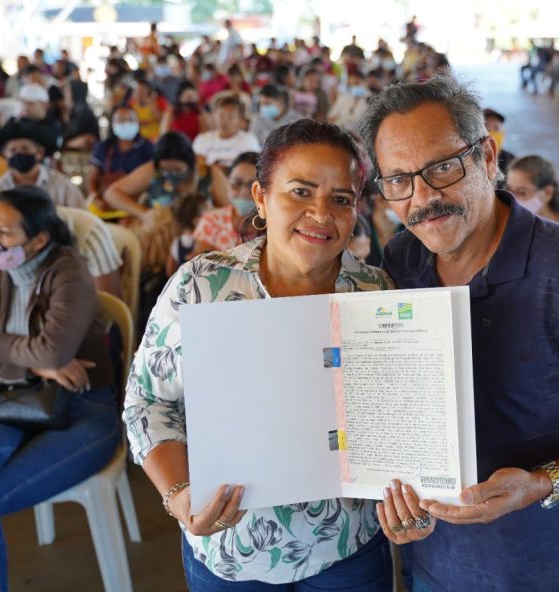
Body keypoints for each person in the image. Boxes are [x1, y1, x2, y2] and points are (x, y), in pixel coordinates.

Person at [359, 75, 559, 591]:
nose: (422, 198)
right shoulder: (404, 258)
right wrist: (405, 498)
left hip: (558, 565)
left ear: (488, 157)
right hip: (440, 565)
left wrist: (541, 483)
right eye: (398, 179)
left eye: (443, 167)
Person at [123, 119, 395, 590]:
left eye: (341, 199)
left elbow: (397, 414)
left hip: (348, 547)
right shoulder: (203, 285)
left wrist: (414, 490)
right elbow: (149, 403)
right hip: (230, 553)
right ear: (261, 198)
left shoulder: (375, 293)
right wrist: (179, 495)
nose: (321, 214)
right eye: (300, 192)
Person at [0, 186, 119, 592]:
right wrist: (35, 367)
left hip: (84, 411)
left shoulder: (69, 270)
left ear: (38, 239)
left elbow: (54, 350)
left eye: (4, 233)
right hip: (17, 408)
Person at [103, 131, 200, 274]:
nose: (171, 174)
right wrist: (144, 213)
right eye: (166, 169)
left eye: (178, 170)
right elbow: (112, 193)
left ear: (190, 163)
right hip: (157, 237)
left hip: (196, 240)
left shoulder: (207, 173)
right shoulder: (152, 171)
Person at [0, 122, 84, 227]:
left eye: (25, 149)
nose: (19, 154)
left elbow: (83, 221)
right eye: (13, 150)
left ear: (40, 153)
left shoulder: (62, 186)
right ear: (5, 155)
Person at [87, 105, 155, 217]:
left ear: (138, 122)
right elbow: (92, 178)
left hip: (137, 205)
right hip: (105, 205)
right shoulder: (103, 147)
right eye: (121, 121)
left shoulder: (148, 148)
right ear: (112, 124)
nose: (126, 124)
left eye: (130, 120)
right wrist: (95, 197)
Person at [192, 151, 259, 254]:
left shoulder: (274, 226)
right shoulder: (212, 221)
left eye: (252, 185)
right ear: (228, 182)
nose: (244, 192)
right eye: (236, 183)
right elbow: (198, 266)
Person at [506, 155, 559, 227]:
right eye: (509, 189)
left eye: (522, 193)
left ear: (547, 193)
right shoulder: (512, 219)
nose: (513, 199)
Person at [192, 96, 260, 171]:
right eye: (221, 116)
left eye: (230, 117)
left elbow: (251, 168)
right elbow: (197, 164)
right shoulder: (202, 139)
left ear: (241, 120)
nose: (224, 121)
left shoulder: (249, 141)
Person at [328, 69, 370, 134]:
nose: (355, 87)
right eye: (352, 84)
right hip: (340, 133)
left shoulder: (369, 98)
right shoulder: (343, 97)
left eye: (357, 84)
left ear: (364, 83)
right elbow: (331, 117)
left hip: (359, 136)